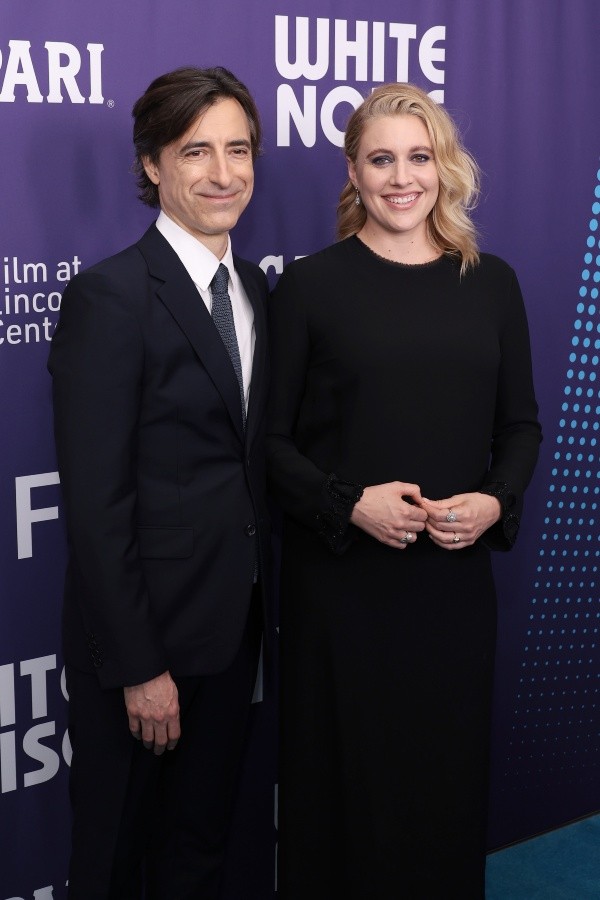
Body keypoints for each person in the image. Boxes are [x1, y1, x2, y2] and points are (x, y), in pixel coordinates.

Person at [267, 82, 541, 899]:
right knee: (342, 801)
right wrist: (349, 501)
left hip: (451, 591)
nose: (400, 177)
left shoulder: (491, 282)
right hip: (342, 595)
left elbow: (521, 427)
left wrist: (495, 500)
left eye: (418, 157)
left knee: (443, 792)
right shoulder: (310, 287)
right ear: (352, 170)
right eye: (380, 159)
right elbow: (270, 446)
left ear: (444, 166)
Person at [48, 66, 270, 899]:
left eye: (239, 149)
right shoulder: (110, 296)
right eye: (196, 151)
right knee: (111, 858)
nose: (223, 173)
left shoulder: (255, 291)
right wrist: (140, 667)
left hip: (233, 635)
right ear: (152, 165)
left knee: (198, 851)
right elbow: (97, 507)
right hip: (142, 653)